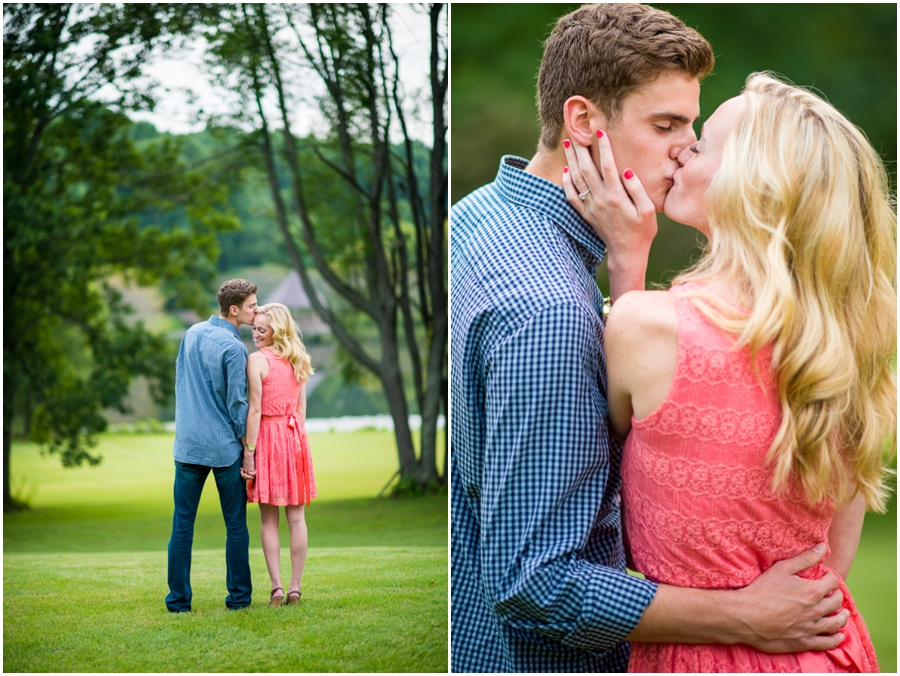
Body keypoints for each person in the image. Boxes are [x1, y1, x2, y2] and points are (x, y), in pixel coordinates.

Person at [450, 4, 849, 672]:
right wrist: (742, 615)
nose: (684, 149)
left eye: (692, 126)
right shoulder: (552, 313)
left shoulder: (478, 217)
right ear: (584, 123)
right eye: (665, 125)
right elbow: (536, 581)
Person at [565, 72, 895, 672]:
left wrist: (626, 260)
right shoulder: (847, 346)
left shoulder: (647, 326)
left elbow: (601, 480)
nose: (682, 152)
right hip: (823, 651)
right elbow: (831, 565)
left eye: (702, 144)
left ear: (750, 185)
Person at [166, 278, 258, 613]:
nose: (256, 310)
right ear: (234, 310)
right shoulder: (235, 349)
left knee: (182, 524)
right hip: (223, 450)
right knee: (235, 525)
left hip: (188, 446)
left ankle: (177, 602)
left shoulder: (191, 333)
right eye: (251, 306)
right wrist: (247, 446)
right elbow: (238, 405)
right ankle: (239, 599)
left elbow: (181, 383)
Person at [241, 302, 316, 608]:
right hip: (295, 438)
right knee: (297, 519)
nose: (256, 334)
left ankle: (277, 589)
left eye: (262, 329)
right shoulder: (299, 359)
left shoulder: (256, 361)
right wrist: (295, 442)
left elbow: (255, 410)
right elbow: (301, 412)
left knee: (269, 520)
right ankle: (295, 588)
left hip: (269, 438)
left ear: (277, 330)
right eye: (254, 328)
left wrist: (249, 454)